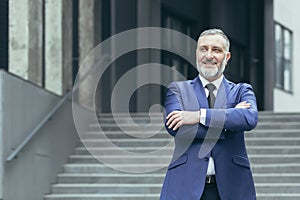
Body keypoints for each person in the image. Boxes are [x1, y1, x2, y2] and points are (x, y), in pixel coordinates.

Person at [160, 28, 258, 200]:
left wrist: (199, 116)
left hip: (232, 186)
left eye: (216, 50)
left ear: (227, 57)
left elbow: (248, 118)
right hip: (184, 185)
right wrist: (229, 121)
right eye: (203, 49)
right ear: (197, 53)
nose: (209, 55)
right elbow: (176, 128)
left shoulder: (242, 90)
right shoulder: (178, 90)